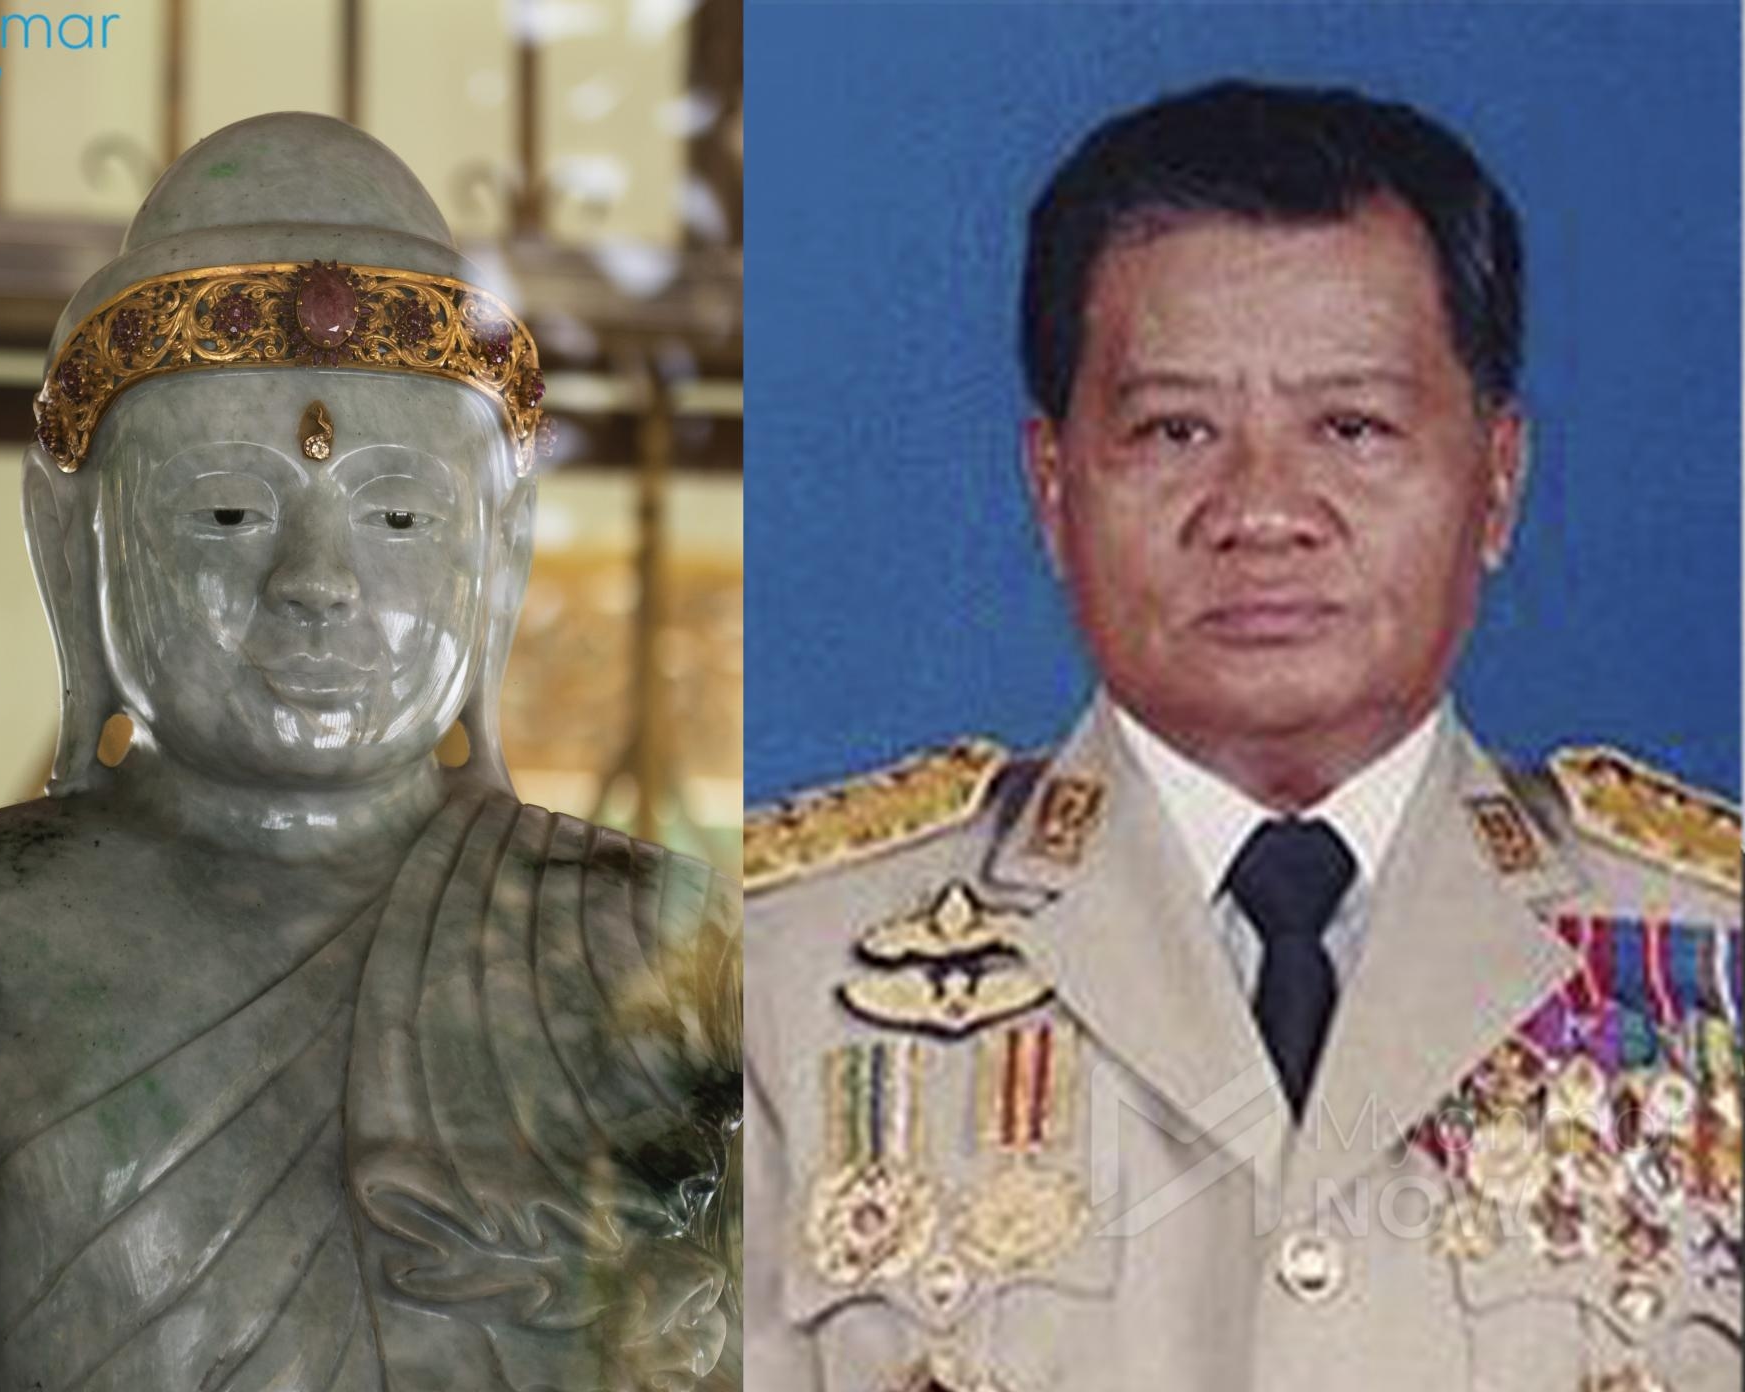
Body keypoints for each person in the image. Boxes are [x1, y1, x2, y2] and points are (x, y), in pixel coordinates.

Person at [745, 82, 1739, 1392]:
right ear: (1054, 489)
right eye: (1175, 431)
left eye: (1353, 427)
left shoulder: (1712, 948)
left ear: (1496, 481)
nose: (1263, 511)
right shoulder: (768, 977)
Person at [0, 114, 739, 1391]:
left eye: (402, 513)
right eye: (227, 508)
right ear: (70, 542)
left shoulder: (680, 956)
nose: (317, 581)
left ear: (503, 556)